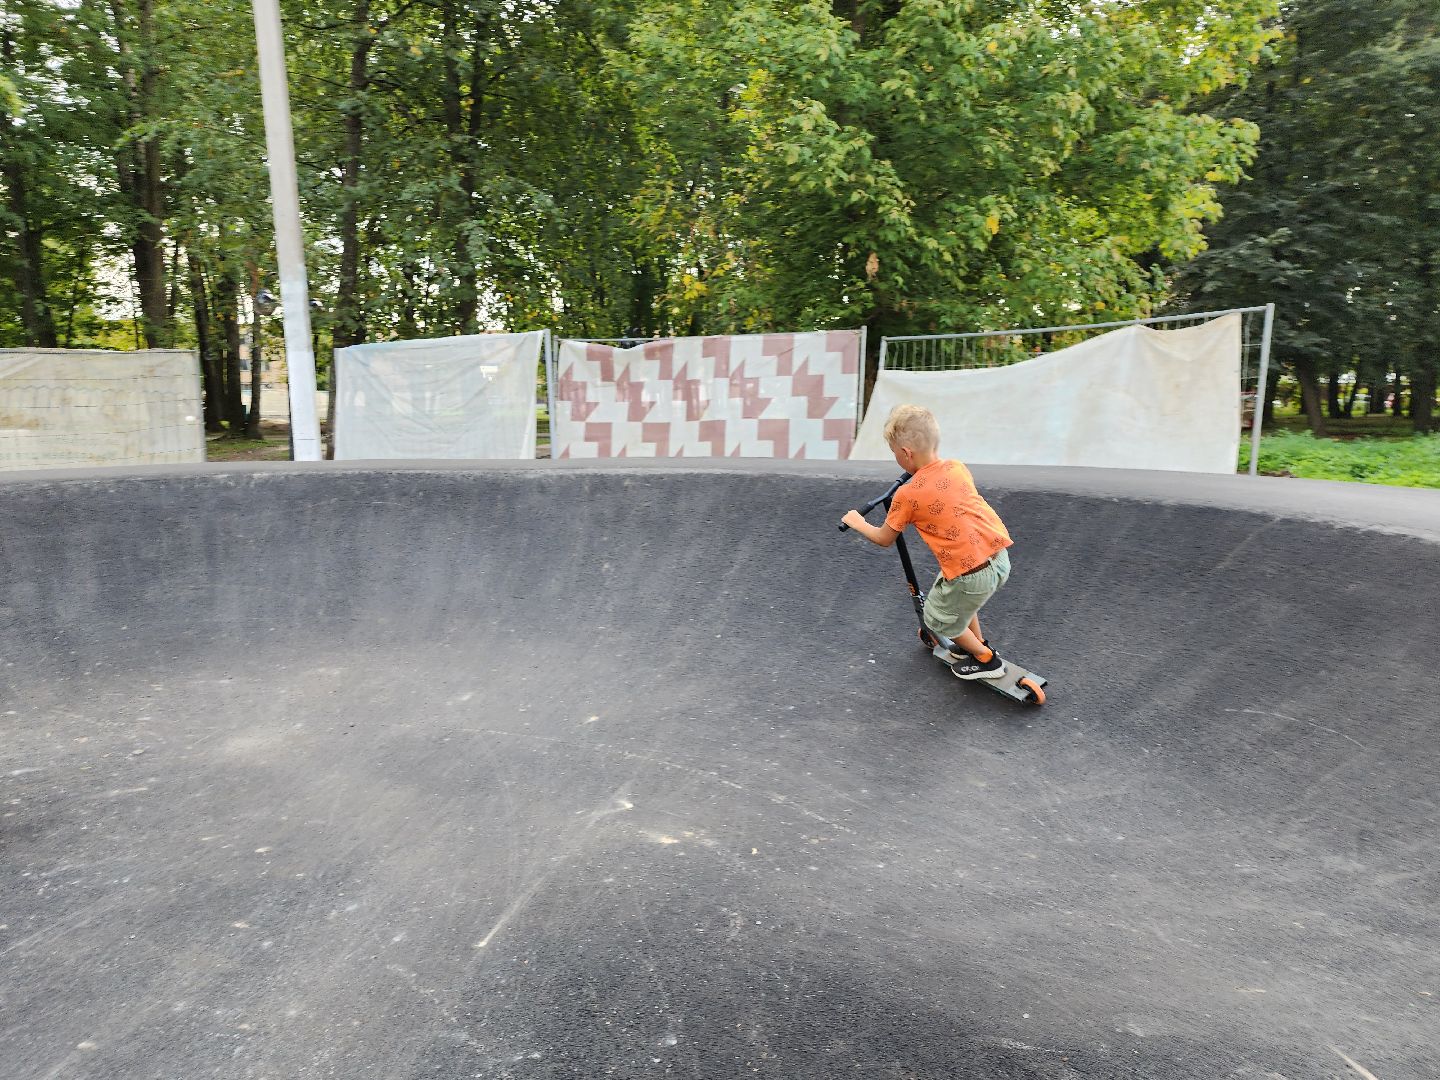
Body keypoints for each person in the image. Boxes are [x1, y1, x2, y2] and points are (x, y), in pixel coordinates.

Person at [841, 404, 1013, 680]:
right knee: (958, 602)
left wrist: (858, 522)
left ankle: (986, 660)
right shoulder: (957, 467)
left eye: (895, 454)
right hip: (998, 558)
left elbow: (885, 538)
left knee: (936, 618)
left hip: (971, 577)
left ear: (906, 453)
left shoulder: (907, 495)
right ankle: (973, 645)